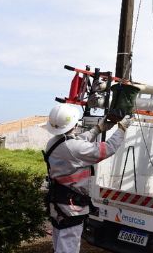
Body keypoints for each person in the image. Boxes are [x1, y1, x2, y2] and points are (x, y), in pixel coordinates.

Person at [43, 103, 131, 253]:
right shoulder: (74, 148)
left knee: (60, 243)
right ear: (74, 124)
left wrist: (97, 129)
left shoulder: (54, 142)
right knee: (68, 248)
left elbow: (76, 142)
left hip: (59, 203)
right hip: (71, 207)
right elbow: (108, 148)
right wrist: (121, 129)